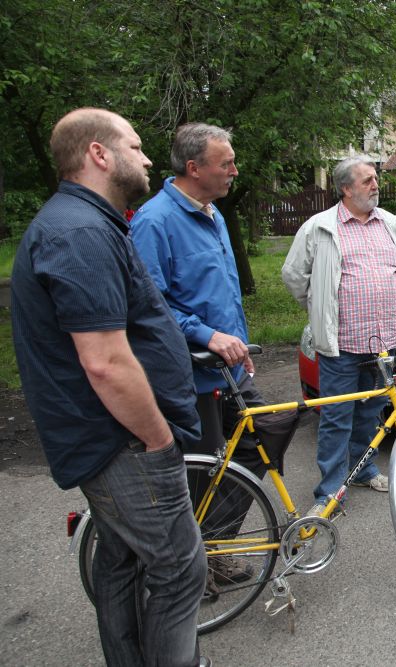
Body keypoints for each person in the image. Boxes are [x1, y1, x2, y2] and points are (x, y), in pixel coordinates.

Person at [10, 108, 207, 666]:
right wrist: (158, 440)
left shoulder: (88, 222)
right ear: (99, 153)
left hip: (112, 441)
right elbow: (104, 363)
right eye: (136, 146)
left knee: (121, 561)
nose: (146, 158)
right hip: (124, 444)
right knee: (179, 569)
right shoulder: (79, 233)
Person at [131, 122, 261, 589]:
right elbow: (149, 305)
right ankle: (192, 568)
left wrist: (237, 344)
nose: (234, 171)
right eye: (226, 163)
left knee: (262, 439)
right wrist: (208, 336)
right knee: (198, 471)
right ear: (194, 167)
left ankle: (213, 543)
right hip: (187, 374)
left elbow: (222, 292)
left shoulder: (213, 213)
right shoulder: (154, 222)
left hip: (228, 369)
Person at [282, 156, 396, 515]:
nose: (375, 184)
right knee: (336, 417)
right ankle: (329, 491)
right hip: (340, 345)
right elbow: (294, 275)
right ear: (346, 188)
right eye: (367, 179)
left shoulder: (391, 224)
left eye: (375, 178)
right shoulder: (319, 228)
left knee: (370, 412)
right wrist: (318, 305)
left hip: (382, 343)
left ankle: (362, 469)